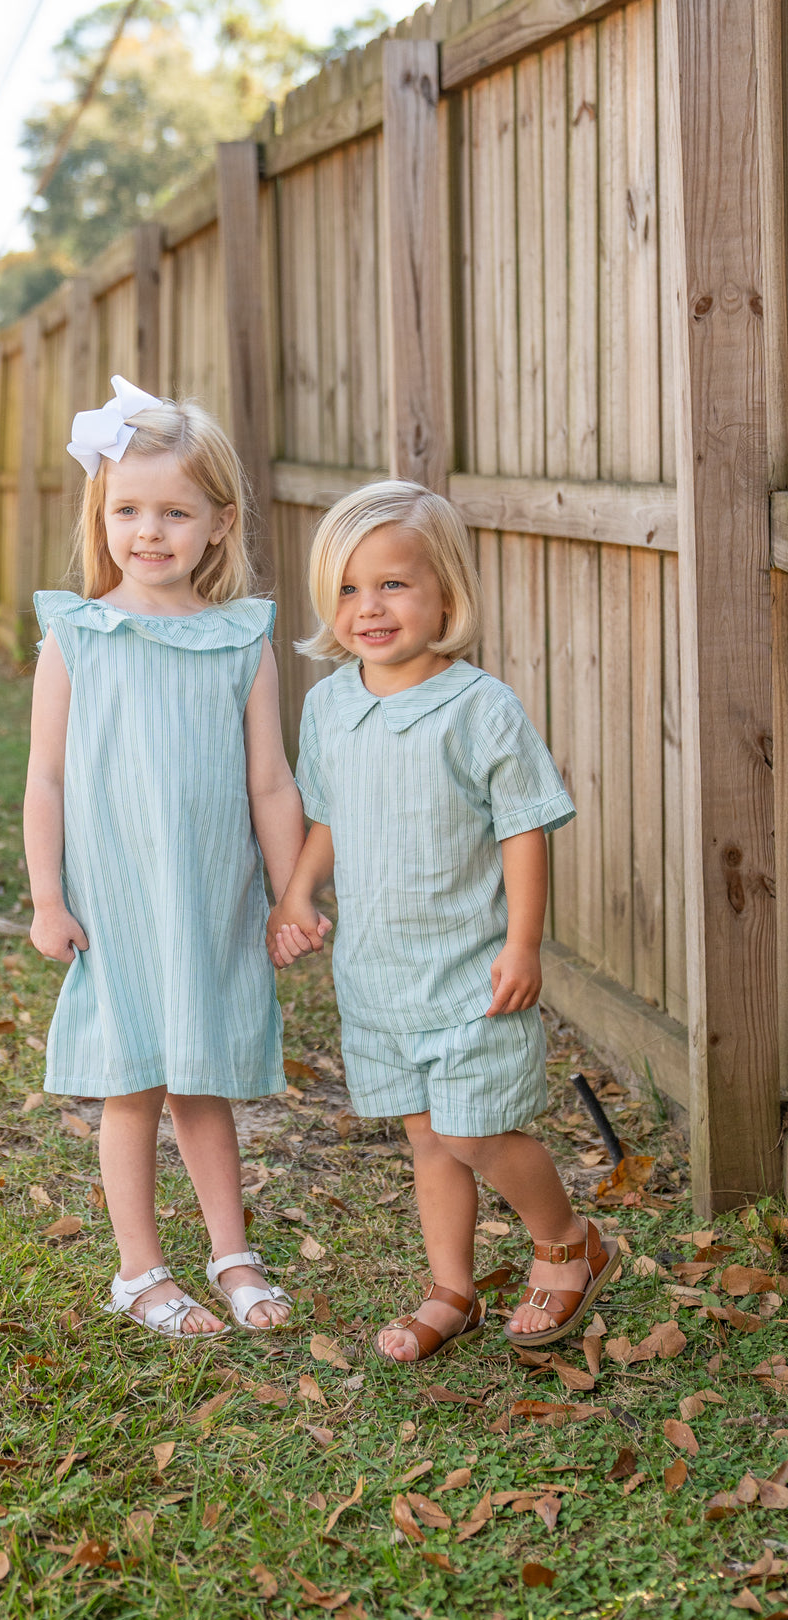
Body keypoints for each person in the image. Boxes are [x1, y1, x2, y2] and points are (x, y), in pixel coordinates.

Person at [267, 480, 621, 1363]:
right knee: (428, 1137)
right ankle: (451, 1289)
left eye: (393, 584)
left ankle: (567, 1241)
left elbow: (524, 826)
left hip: (469, 969)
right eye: (349, 588)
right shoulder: (330, 706)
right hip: (379, 976)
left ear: (445, 595)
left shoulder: (479, 707)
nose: (369, 607)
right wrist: (299, 893)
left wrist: (524, 943)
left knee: (473, 1130)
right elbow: (330, 820)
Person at [24, 376, 304, 1338]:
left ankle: (232, 1253)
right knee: (134, 1082)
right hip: (116, 899)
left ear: (219, 523)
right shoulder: (78, 636)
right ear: (102, 515)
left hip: (211, 896)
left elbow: (270, 782)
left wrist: (290, 892)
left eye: (175, 512)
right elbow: (47, 781)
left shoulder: (241, 641)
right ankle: (139, 1269)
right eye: (129, 510)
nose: (150, 531)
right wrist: (46, 898)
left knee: (204, 1078)